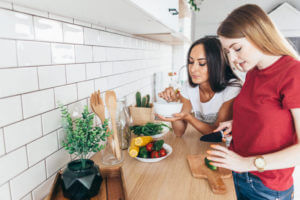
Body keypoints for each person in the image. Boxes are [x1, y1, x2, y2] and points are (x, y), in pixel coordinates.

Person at [206, 4, 300, 200]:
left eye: (237, 49)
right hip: (238, 173)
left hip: (265, 187)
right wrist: (237, 123)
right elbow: (268, 115)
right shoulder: (252, 73)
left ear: (259, 35)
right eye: (227, 52)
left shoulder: (293, 73)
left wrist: (246, 164)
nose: (232, 59)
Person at [157, 37, 241, 136]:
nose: (193, 69)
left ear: (217, 64)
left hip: (227, 146)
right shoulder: (188, 87)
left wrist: (189, 118)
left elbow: (218, 133)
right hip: (205, 143)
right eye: (191, 62)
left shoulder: (232, 88)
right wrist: (174, 105)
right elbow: (179, 132)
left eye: (202, 63)